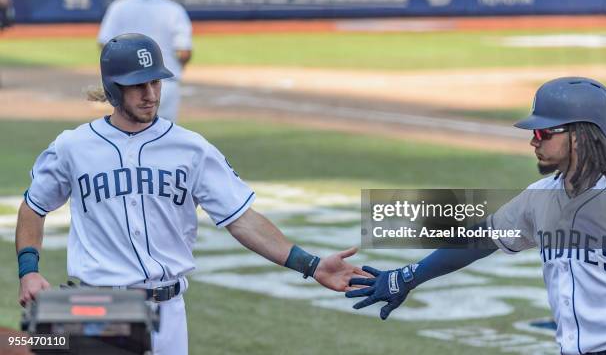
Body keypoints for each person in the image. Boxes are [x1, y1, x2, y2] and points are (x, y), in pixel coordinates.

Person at [16, 33, 366, 355]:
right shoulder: (73, 147)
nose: (150, 94)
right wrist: (28, 270)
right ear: (112, 89)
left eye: (155, 82)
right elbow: (34, 207)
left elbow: (243, 221)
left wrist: (312, 265)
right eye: (138, 85)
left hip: (169, 312)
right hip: (100, 307)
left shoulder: (191, 148)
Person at [347, 76, 606, 355]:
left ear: (580, 135)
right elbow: (481, 239)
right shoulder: (541, 196)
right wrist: (407, 277)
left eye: (543, 133)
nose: (533, 141)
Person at [98, 0, 191, 122]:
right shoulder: (174, 10)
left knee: (128, 134)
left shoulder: (119, 7)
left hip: (127, 86)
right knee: (164, 139)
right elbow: (184, 52)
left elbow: (105, 45)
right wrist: (178, 69)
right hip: (164, 84)